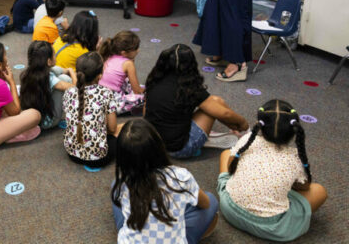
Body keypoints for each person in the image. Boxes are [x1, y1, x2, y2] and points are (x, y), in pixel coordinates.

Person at [217, 99, 327, 242]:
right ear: (293, 132)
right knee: (319, 191)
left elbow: (232, 168)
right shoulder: (295, 157)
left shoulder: (247, 140)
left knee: (226, 154)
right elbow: (304, 187)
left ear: (261, 127)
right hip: (272, 228)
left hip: (229, 209)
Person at [112, 119, 219, 244]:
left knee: (115, 186)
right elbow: (205, 204)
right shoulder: (181, 177)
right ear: (159, 146)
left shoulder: (124, 182)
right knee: (211, 199)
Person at [144, 44, 249, 159]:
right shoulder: (188, 87)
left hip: (153, 142)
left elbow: (146, 111)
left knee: (215, 101)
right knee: (213, 108)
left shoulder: (154, 79)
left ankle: (236, 131)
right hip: (180, 149)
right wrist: (244, 122)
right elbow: (225, 114)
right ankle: (243, 132)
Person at [63, 52, 121, 168]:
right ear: (99, 76)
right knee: (122, 128)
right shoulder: (105, 93)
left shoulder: (68, 92)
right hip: (97, 158)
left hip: (72, 153)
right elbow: (112, 128)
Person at [20, 40, 76, 130]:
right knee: (64, 79)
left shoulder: (27, 73)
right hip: (48, 122)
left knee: (57, 71)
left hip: (32, 117)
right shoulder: (49, 78)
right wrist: (72, 72)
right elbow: (74, 87)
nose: (55, 55)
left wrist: (67, 70)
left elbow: (60, 70)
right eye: (54, 54)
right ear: (49, 61)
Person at [98, 30, 145, 115]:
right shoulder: (128, 64)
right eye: (136, 49)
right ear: (124, 53)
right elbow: (137, 91)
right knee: (143, 97)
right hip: (110, 102)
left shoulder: (109, 54)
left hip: (98, 94)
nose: (138, 50)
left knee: (129, 83)